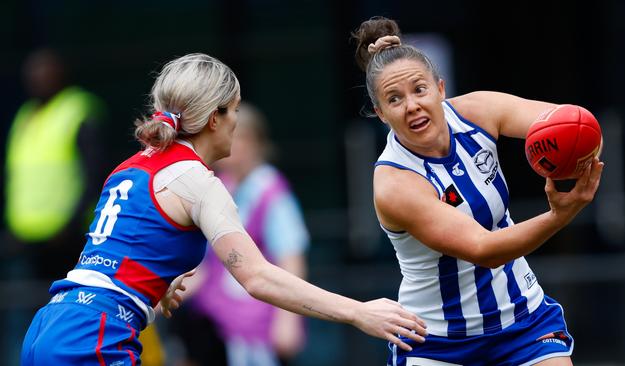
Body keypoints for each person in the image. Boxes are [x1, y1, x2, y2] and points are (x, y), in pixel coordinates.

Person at [20, 52, 427, 365]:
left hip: (50, 325)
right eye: (233, 110)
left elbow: (112, 255)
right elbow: (258, 277)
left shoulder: (130, 167)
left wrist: (154, 287)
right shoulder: (197, 181)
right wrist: (358, 312)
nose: (237, 121)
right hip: (95, 334)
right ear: (214, 118)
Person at [351, 17, 604, 366]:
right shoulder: (395, 184)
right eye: (395, 99)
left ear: (440, 89)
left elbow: (567, 122)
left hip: (523, 323)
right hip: (438, 343)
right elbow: (483, 250)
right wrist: (559, 216)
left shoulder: (479, 112)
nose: (411, 105)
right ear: (380, 114)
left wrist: (581, 143)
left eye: (419, 89)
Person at [174, 102, 310, 366]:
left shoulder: (271, 192)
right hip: (215, 319)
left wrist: (288, 319)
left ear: (255, 143)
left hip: (255, 322)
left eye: (237, 137)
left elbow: (290, 258)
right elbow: (209, 264)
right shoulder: (219, 185)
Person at [2, 47, 106, 365]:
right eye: (31, 72)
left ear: (61, 74)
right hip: (24, 238)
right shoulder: (25, 115)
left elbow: (93, 174)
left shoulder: (77, 110)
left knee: (65, 317)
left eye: (44, 71)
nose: (36, 78)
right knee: (20, 318)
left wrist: (71, 223)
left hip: (65, 238)